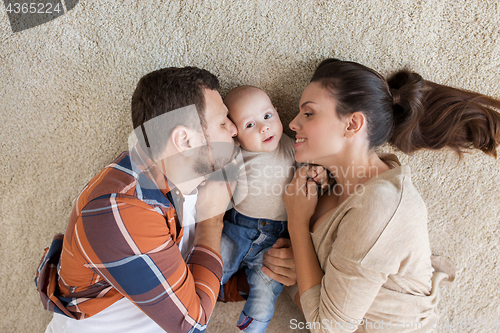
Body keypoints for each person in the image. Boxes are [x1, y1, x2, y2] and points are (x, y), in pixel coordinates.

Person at [34, 67, 291, 333]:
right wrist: (211, 222)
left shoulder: (193, 182)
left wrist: (269, 272)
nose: (234, 130)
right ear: (184, 140)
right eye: (223, 122)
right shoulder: (121, 210)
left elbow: (192, 285)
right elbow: (191, 323)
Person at [283, 59, 500, 332]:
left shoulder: (380, 205)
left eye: (309, 113)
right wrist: (301, 271)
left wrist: (297, 224)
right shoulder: (345, 185)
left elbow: (328, 327)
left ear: (352, 124)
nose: (292, 123)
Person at [218, 86, 327, 332]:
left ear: (277, 113)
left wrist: (319, 176)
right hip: (235, 230)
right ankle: (192, 309)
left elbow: (313, 172)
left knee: (266, 292)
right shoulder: (236, 155)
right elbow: (219, 191)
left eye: (267, 117)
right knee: (211, 270)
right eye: (250, 125)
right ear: (235, 135)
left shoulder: (292, 147)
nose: (263, 127)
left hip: (275, 242)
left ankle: (252, 327)